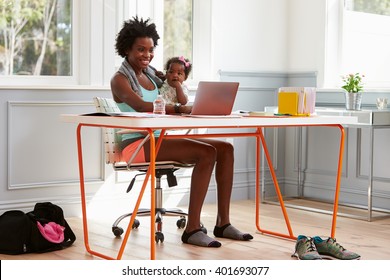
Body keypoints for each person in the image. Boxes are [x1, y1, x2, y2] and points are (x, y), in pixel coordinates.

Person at [110, 16, 253, 248]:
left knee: (225, 148)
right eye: (140, 50)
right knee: (206, 152)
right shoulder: (119, 79)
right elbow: (140, 106)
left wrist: (185, 93)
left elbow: (173, 85)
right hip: (136, 145)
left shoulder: (151, 75)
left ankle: (223, 223)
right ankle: (193, 229)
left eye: (150, 49)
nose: (147, 55)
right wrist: (179, 108)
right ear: (127, 49)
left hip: (160, 139)